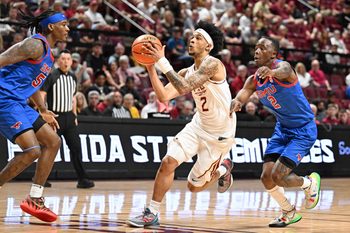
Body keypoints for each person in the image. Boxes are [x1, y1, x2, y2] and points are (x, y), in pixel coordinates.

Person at [128, 21, 236, 227]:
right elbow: (164, 96)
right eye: (192, 36)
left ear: (209, 46)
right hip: (198, 125)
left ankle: (224, 168)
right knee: (168, 162)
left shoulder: (214, 64)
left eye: (198, 37)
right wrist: (151, 69)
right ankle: (151, 213)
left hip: (219, 136)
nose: (192, 39)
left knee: (193, 187)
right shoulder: (188, 70)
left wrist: (162, 61)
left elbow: (185, 87)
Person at [230, 37, 321, 228]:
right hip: (282, 129)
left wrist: (272, 72)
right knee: (266, 177)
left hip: (303, 129)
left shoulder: (284, 68)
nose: (256, 51)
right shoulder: (253, 80)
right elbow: (241, 96)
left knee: (279, 176)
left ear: (273, 54)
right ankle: (288, 212)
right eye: (255, 48)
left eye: (262, 48)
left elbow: (284, 70)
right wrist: (236, 103)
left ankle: (309, 183)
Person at [0, 10, 68, 222]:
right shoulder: (34, 45)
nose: (68, 28)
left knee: (53, 141)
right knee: (32, 150)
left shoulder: (48, 52)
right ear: (51, 27)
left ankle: (35, 199)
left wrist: (43, 109)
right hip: (4, 100)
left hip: (19, 102)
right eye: (64, 24)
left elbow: (34, 84)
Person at [41, 50, 95, 189]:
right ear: (58, 61)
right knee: (49, 149)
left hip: (69, 118)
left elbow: (73, 98)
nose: (65, 61)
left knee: (76, 148)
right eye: (63, 58)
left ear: (71, 62)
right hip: (55, 117)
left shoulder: (73, 77)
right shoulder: (52, 75)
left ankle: (82, 179)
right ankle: (40, 179)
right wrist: (43, 113)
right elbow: (42, 95)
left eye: (68, 59)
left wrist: (74, 115)